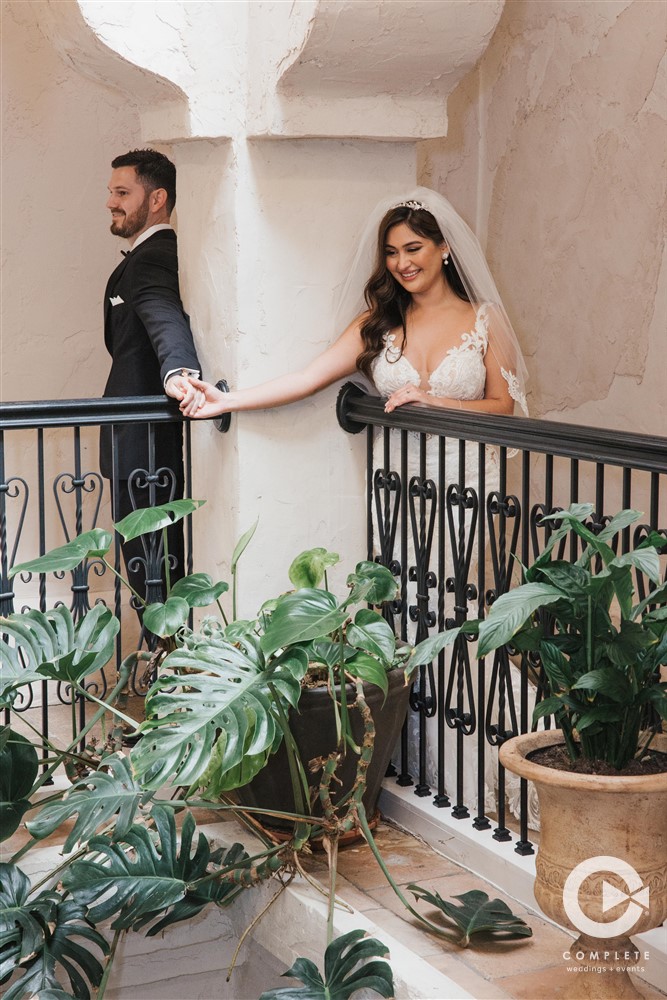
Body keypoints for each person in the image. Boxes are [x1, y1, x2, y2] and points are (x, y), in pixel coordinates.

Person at [180, 187, 529, 814]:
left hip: (468, 481)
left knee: (452, 607)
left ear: (445, 249)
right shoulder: (380, 323)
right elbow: (309, 377)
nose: (402, 262)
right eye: (392, 252)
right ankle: (425, 760)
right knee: (410, 611)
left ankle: (488, 755)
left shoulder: (484, 320)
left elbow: (506, 407)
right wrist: (226, 401)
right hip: (399, 489)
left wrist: (437, 403)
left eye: (415, 248)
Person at [100, 148, 203, 615]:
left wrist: (179, 372)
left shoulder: (156, 255)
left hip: (147, 450)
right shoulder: (142, 256)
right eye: (111, 192)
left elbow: (164, 314)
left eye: (123, 192)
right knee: (150, 569)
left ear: (157, 198)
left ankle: (171, 669)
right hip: (136, 447)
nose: (111, 202)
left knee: (154, 572)